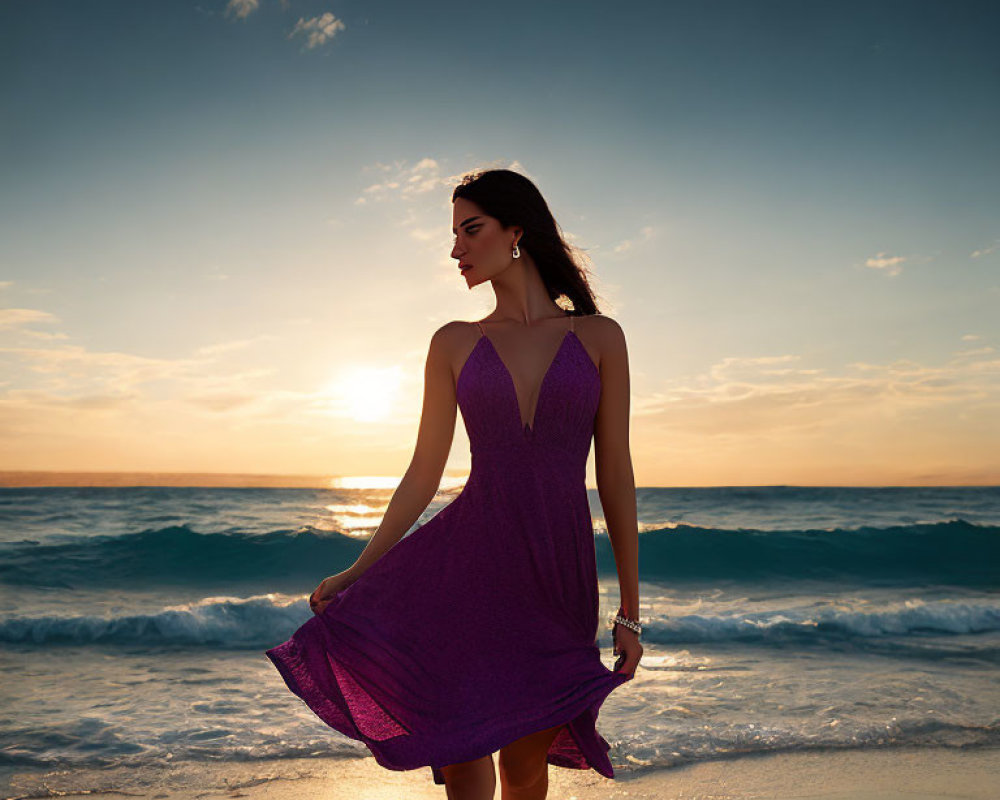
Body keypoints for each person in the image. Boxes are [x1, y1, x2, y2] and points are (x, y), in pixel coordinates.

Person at [265, 167, 642, 800]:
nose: (456, 248)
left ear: (516, 231)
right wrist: (358, 570)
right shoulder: (453, 343)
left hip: (556, 574)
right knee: (463, 757)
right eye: (454, 234)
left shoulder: (600, 337)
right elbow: (423, 472)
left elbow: (616, 475)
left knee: (525, 767)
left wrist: (630, 612)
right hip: (466, 568)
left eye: (471, 230)